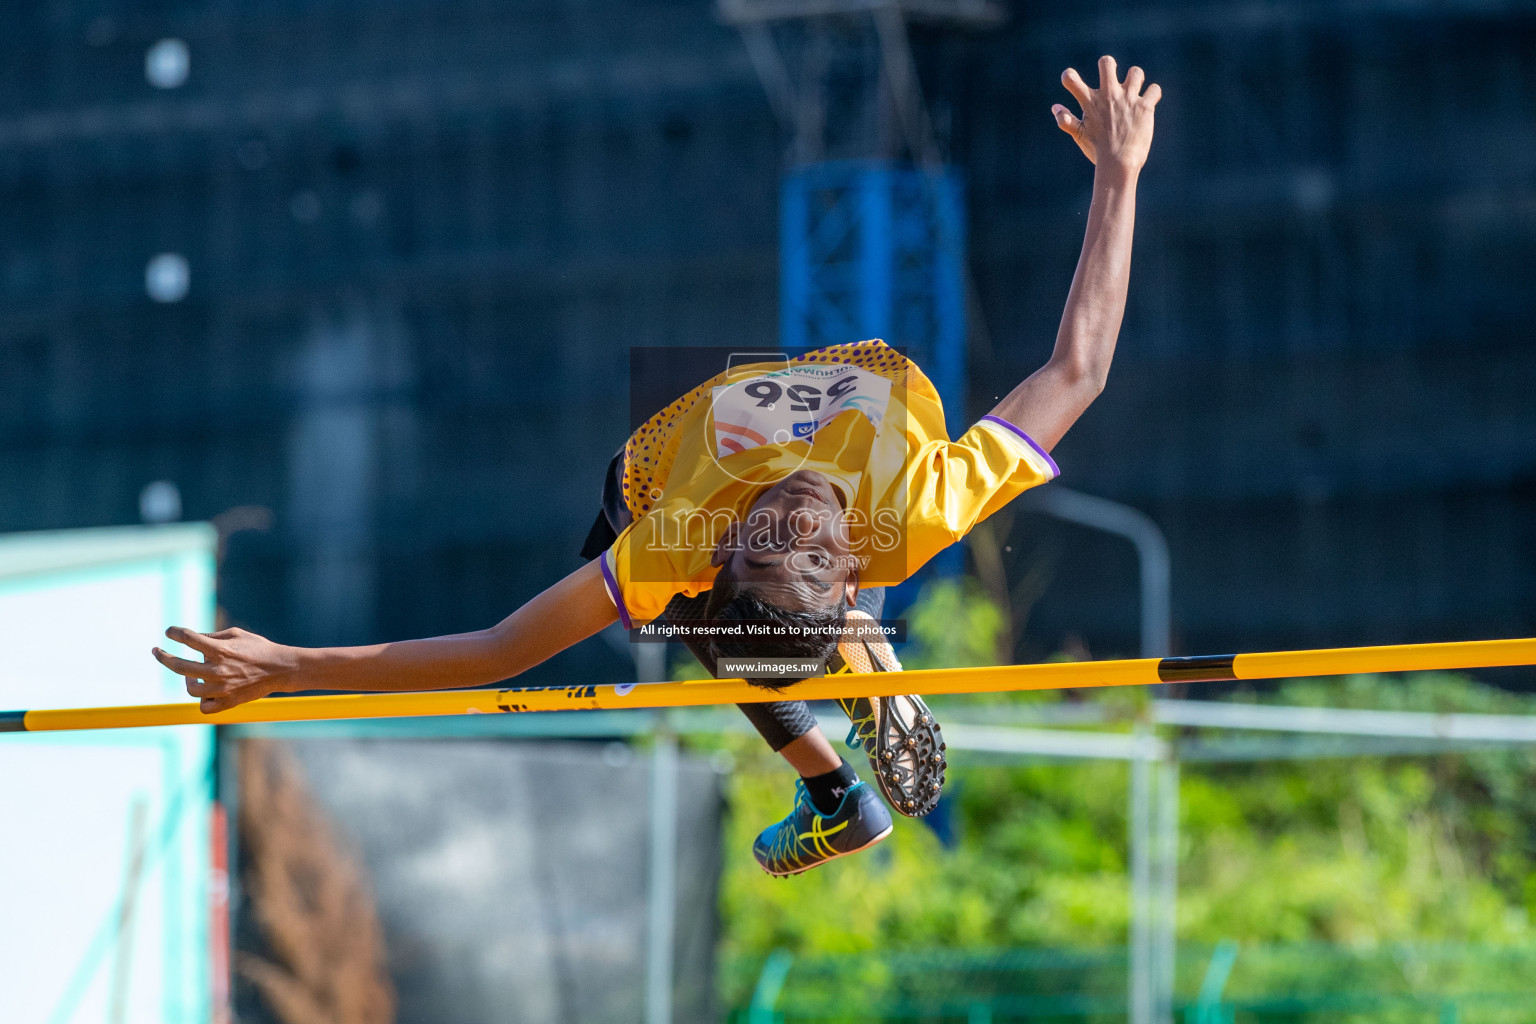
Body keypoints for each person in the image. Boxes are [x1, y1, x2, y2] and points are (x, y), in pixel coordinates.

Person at [153, 57, 1160, 876]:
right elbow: (1078, 369)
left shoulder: (688, 541)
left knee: (712, 625)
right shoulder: (769, 525)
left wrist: (292, 666)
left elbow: (501, 651)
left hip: (808, 432)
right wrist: (1118, 177)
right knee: (721, 623)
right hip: (778, 441)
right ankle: (842, 721)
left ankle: (834, 775)